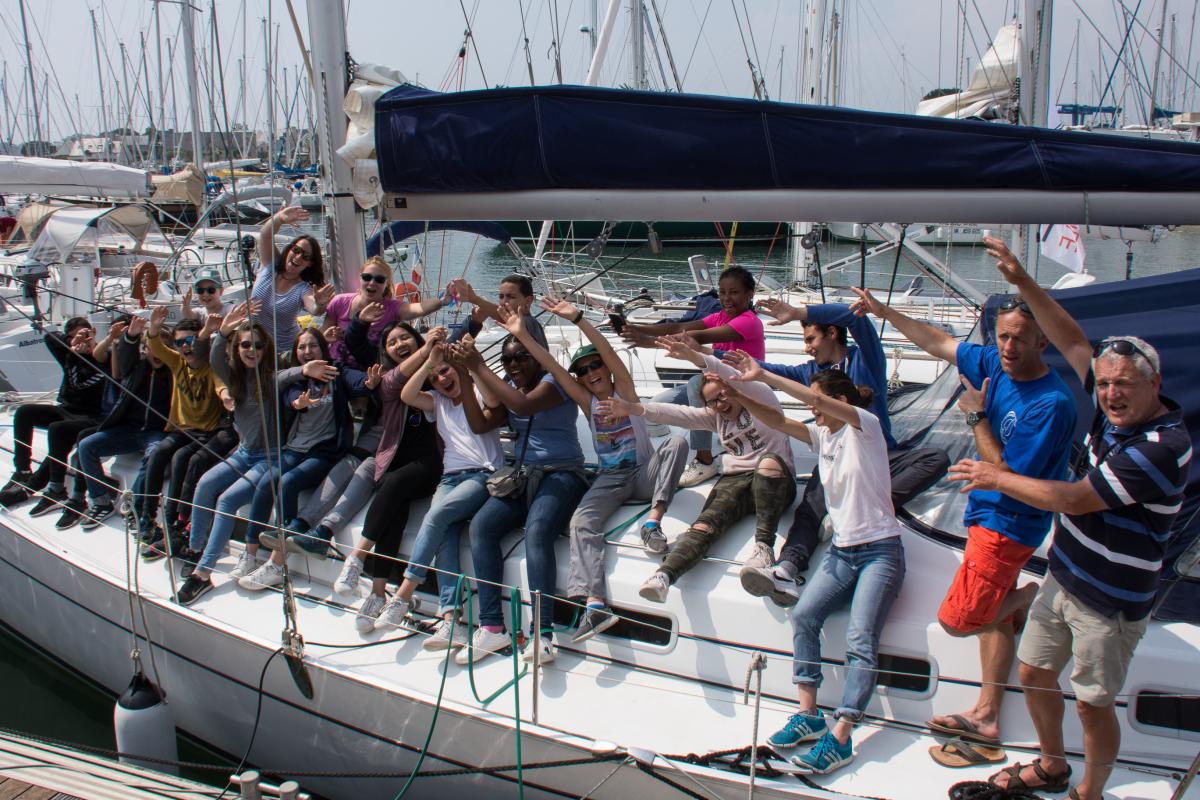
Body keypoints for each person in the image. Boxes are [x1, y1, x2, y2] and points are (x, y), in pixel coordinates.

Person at [948, 237, 1191, 800]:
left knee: (1091, 703)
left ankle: (1090, 792)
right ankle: (1053, 765)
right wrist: (1021, 281)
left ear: (1154, 385)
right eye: (1103, 384)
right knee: (1034, 673)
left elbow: (1078, 499)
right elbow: (1074, 341)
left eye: (1122, 384)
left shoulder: (1161, 448)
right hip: (1064, 575)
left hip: (1109, 600)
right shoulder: (1111, 414)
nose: (1109, 394)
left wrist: (996, 476)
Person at [850, 283, 1077, 747]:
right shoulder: (996, 363)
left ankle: (1026, 597)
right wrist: (884, 312)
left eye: (1019, 339)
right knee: (994, 620)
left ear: (1043, 342)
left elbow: (1005, 474)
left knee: (960, 620)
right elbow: (937, 341)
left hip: (1007, 524)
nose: (1008, 347)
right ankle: (988, 714)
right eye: (1003, 337)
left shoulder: (1050, 403)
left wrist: (975, 417)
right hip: (987, 513)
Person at [716, 364, 906, 775]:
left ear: (840, 402)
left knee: (860, 639)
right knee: (803, 615)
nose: (812, 412)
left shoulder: (864, 427)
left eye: (818, 403)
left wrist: (765, 376)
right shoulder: (824, 435)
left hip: (880, 552)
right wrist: (740, 395)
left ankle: (842, 736)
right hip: (842, 551)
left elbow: (813, 401)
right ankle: (809, 714)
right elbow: (777, 420)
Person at [743, 298, 949, 604]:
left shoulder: (866, 360)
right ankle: (787, 569)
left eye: (810, 339)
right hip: (836, 455)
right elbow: (768, 371)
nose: (807, 348)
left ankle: (861, 504)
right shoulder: (814, 373)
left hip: (880, 455)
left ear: (832, 333)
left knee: (936, 458)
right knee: (810, 508)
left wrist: (799, 312)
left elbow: (856, 319)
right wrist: (704, 354)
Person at [515, 296, 688, 643]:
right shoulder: (587, 401)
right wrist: (523, 336)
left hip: (643, 472)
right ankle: (595, 605)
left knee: (676, 443)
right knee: (581, 521)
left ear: (606, 369)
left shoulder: (625, 390)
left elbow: (609, 352)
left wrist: (579, 319)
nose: (591, 372)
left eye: (596, 366)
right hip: (610, 479)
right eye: (584, 370)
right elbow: (553, 367)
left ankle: (652, 522)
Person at [597, 336, 795, 605]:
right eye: (712, 402)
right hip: (737, 480)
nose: (720, 404)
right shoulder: (716, 417)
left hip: (775, 481)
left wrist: (694, 356)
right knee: (704, 525)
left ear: (732, 388)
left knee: (768, 462)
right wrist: (633, 408)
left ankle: (763, 550)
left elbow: (723, 369)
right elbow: (675, 413)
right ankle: (664, 575)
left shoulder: (760, 398)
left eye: (722, 395)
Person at [455, 326, 589, 666]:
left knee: (537, 530)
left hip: (562, 473)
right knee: (482, 527)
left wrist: (479, 364)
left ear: (538, 356)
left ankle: (542, 634)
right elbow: (480, 424)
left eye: (521, 357)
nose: (513, 365)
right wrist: (466, 374)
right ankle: (492, 626)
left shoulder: (555, 383)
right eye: (507, 360)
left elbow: (524, 407)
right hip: (523, 475)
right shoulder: (511, 387)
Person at [365, 338, 506, 649]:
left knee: (437, 515)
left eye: (445, 371)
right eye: (436, 377)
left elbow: (493, 401)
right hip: (450, 478)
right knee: (445, 536)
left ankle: (404, 593)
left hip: (482, 474)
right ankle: (451, 621)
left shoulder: (478, 392)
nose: (442, 379)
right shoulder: (437, 403)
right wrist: (429, 361)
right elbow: (406, 395)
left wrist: (467, 365)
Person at [233, 327, 370, 588]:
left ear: (323, 348)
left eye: (313, 346)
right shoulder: (296, 379)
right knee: (266, 483)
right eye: (302, 347)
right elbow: (291, 399)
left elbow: (357, 382)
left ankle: (276, 562)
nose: (307, 351)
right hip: (294, 447)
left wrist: (369, 382)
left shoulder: (336, 372)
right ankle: (250, 554)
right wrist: (300, 403)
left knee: (287, 482)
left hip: (325, 451)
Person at [172, 305, 285, 606]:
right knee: (204, 484)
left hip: (269, 457)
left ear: (266, 349)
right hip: (244, 452)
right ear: (237, 348)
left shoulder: (271, 378)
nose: (252, 350)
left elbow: (290, 372)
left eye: (258, 345)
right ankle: (196, 547)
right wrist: (221, 332)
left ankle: (202, 573)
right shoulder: (233, 377)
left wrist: (307, 369)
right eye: (245, 345)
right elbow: (210, 356)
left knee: (226, 501)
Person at [339, 325, 446, 631]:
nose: (399, 344)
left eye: (404, 337)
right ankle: (377, 593)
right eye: (392, 342)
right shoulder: (386, 382)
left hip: (433, 462)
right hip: (397, 461)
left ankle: (357, 557)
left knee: (395, 484)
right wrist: (425, 353)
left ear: (417, 339)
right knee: (393, 505)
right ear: (385, 352)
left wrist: (434, 352)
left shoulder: (440, 375)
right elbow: (398, 385)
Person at [620, 266, 766, 487]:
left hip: (744, 387)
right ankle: (725, 426)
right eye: (722, 292)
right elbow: (680, 326)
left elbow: (696, 336)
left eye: (734, 292)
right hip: (719, 386)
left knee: (695, 384)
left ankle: (704, 459)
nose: (726, 298)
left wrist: (646, 342)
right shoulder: (719, 316)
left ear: (750, 294)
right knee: (661, 402)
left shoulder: (749, 321)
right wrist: (635, 327)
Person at [135, 307, 227, 550]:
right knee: (158, 453)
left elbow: (220, 384)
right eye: (179, 343)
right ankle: (148, 517)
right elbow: (156, 346)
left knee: (180, 460)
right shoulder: (177, 362)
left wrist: (225, 395)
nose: (185, 346)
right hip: (181, 430)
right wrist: (154, 327)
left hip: (206, 432)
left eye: (190, 341)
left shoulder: (211, 365)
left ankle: (172, 521)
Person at [75, 314, 173, 529]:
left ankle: (135, 507)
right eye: (153, 347)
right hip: (129, 429)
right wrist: (131, 335)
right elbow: (125, 353)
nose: (158, 353)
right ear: (145, 349)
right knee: (86, 446)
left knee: (154, 455)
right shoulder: (135, 368)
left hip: (157, 432)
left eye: (164, 348)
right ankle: (101, 501)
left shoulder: (174, 372)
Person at [0, 317, 106, 509]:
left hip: (92, 416)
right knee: (24, 412)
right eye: (76, 336)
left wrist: (92, 347)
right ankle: (23, 471)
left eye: (86, 335)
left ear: (94, 333)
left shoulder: (102, 356)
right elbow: (50, 337)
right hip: (67, 408)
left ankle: (35, 486)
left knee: (60, 433)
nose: (82, 340)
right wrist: (71, 343)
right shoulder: (67, 352)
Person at [321, 254, 447, 367]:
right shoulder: (339, 302)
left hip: (371, 370)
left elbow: (418, 309)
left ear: (386, 284)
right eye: (367, 277)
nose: (372, 282)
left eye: (379, 279)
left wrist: (443, 300)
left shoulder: (392, 308)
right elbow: (321, 337)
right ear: (360, 279)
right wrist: (326, 338)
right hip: (336, 366)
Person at [252, 205, 334, 353]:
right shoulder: (271, 266)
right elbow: (265, 236)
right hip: (255, 346)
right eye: (296, 250)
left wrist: (320, 304)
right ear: (289, 249)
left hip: (284, 351)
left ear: (310, 264)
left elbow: (314, 308)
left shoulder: (302, 289)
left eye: (306, 256)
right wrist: (279, 218)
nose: (298, 257)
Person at [448, 273, 549, 350]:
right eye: (501, 296)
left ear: (528, 301)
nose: (504, 302)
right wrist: (475, 320)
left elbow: (499, 315)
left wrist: (475, 299)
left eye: (511, 297)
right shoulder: (530, 324)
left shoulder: (529, 323)